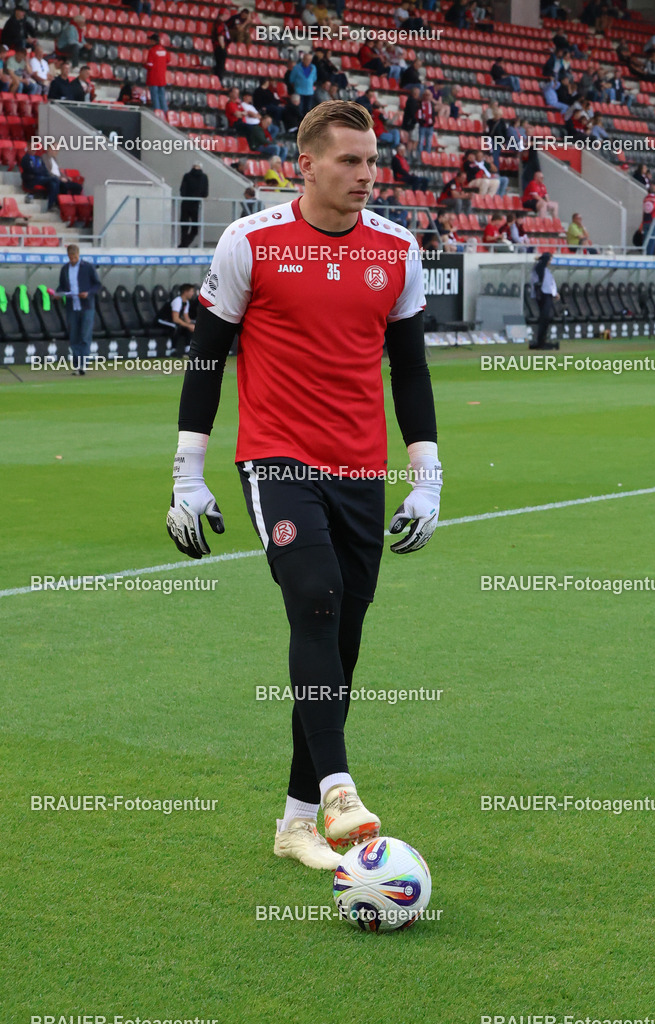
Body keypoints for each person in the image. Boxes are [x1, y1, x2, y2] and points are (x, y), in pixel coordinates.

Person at [166, 100, 442, 870]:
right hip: (277, 459)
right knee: (315, 597)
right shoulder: (250, 241)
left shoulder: (396, 248)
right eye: (349, 160)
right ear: (307, 164)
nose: (366, 174)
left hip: (361, 469)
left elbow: (411, 371)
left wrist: (425, 480)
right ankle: (340, 791)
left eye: (372, 160)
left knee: (339, 643)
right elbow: (205, 359)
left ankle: (294, 824)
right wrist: (187, 477)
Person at [57, 244, 102, 374]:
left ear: (78, 255)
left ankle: (84, 364)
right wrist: (58, 294)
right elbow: (62, 286)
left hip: (86, 306)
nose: (73, 260)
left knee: (85, 335)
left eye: (75, 257)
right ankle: (77, 365)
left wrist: (88, 293)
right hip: (72, 306)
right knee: (74, 336)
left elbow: (97, 285)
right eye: (70, 258)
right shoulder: (65, 269)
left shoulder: (88, 267)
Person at [530, 252, 558, 350]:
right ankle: (541, 341)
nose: (550, 262)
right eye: (549, 260)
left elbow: (550, 283)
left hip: (546, 294)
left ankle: (542, 340)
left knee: (545, 318)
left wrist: (554, 293)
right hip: (543, 295)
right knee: (544, 317)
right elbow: (543, 283)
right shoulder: (539, 268)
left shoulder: (544, 269)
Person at [158, 283, 196, 353]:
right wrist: (188, 325)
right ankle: (173, 350)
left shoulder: (186, 302)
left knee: (189, 327)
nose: (193, 293)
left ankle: (188, 349)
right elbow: (175, 319)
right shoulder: (177, 301)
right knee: (175, 327)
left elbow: (187, 319)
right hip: (162, 320)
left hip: (171, 321)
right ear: (185, 292)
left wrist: (193, 325)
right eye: (191, 291)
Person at [178, 164, 209, 248]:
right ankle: (184, 245)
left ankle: (183, 245)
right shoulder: (204, 177)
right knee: (195, 229)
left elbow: (182, 191)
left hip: (185, 204)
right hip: (196, 205)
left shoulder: (187, 176)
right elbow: (205, 193)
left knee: (184, 227)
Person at [145, 33, 169, 114]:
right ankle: (165, 114)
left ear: (153, 41)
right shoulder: (164, 50)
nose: (149, 42)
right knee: (162, 96)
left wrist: (144, 65)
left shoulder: (152, 51)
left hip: (153, 78)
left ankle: (158, 114)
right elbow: (168, 60)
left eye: (150, 40)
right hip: (161, 78)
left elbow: (150, 65)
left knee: (155, 97)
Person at [642, 185, 655, 255]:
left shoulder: (646, 198)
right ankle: (649, 255)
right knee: (652, 239)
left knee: (645, 239)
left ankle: (645, 253)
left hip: (645, 221)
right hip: (653, 221)